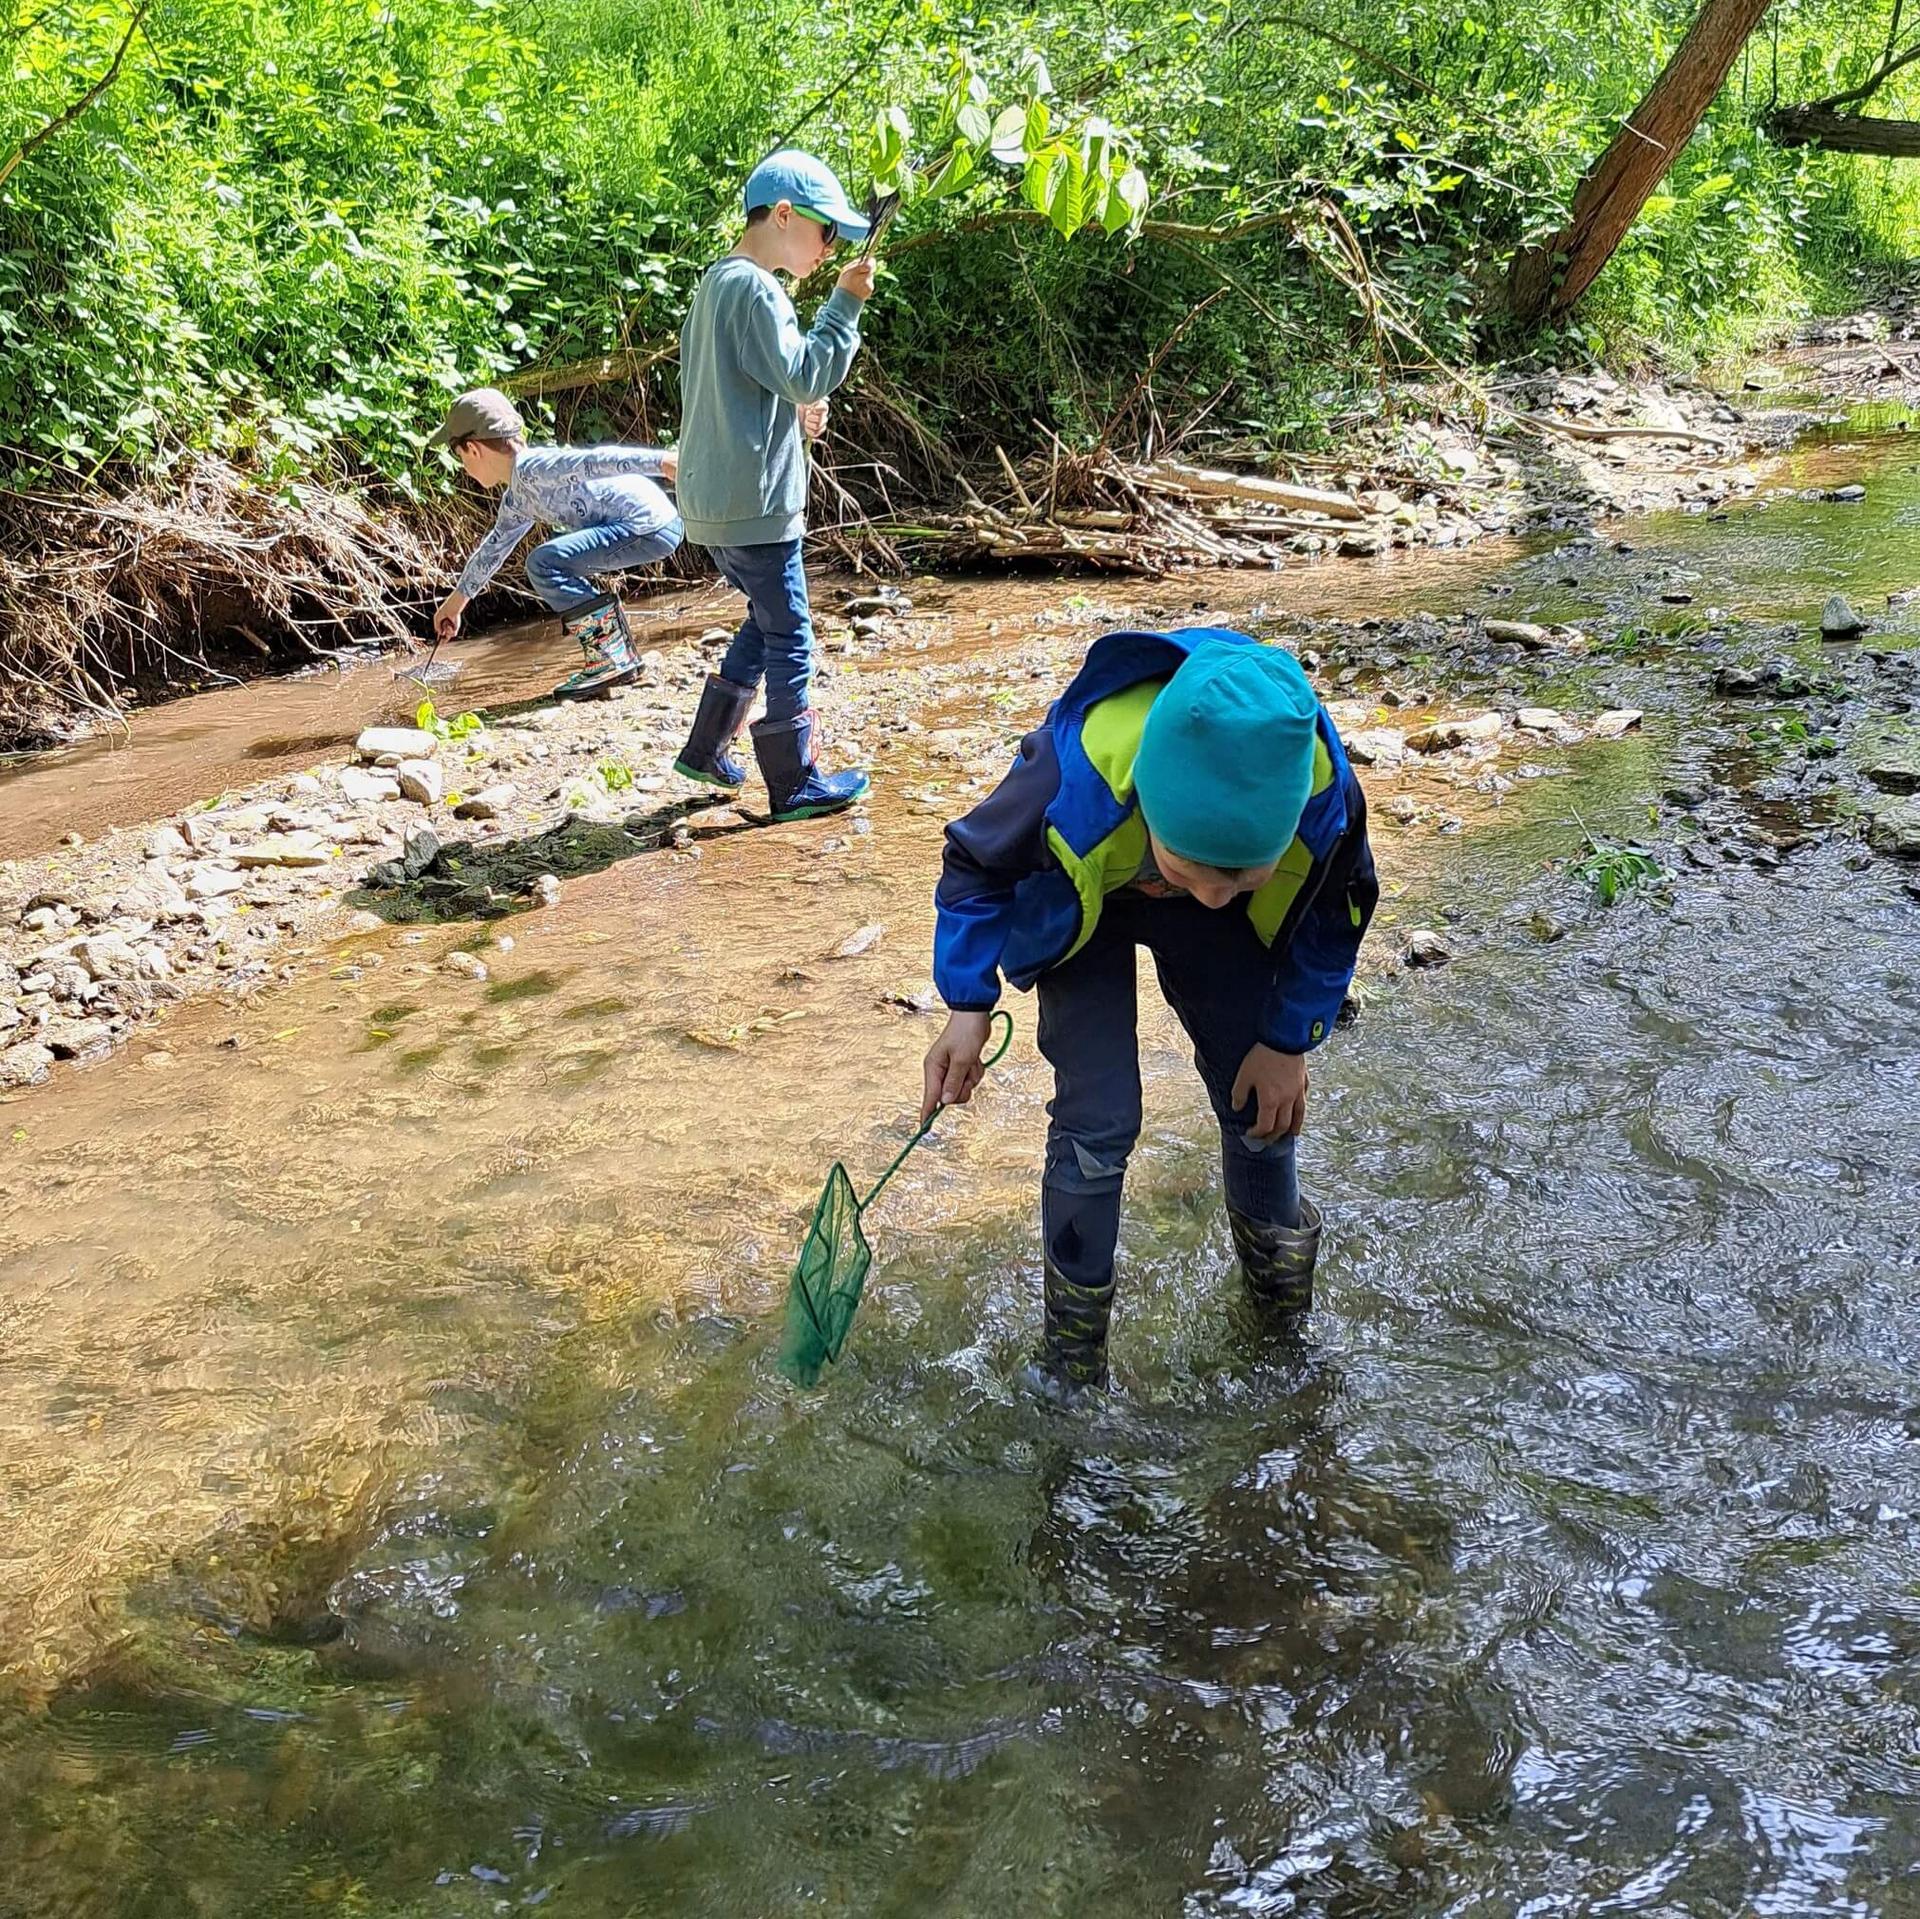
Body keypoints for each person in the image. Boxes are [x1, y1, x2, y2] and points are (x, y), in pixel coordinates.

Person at [920, 627, 1378, 1399]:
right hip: (1085, 906)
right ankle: (1073, 1365)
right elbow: (973, 863)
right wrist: (967, 1001)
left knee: (1259, 1097)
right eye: (1189, 871)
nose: (1207, 891)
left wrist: (1289, 1034)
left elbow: (1341, 911)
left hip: (1222, 933)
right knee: (1097, 1120)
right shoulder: (1071, 778)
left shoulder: (1320, 795)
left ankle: (1277, 1329)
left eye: (1238, 875)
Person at [671, 148, 877, 821]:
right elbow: (809, 372)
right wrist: (845, 303)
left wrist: (792, 409)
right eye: (826, 232)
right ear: (784, 215)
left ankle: (707, 749)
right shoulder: (758, 288)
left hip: (715, 502)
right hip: (754, 505)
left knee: (766, 622)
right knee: (791, 633)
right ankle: (795, 781)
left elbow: (750, 386)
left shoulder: (716, 284)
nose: (829, 247)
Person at [429, 387, 682, 699]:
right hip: (648, 526)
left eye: (459, 457)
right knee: (550, 557)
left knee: (544, 562)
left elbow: (597, 460)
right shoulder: (519, 497)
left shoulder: (535, 468)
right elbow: (493, 549)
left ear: (472, 449)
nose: (463, 467)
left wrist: (663, 462)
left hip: (646, 525)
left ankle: (612, 657)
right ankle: (615, 655)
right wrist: (456, 604)